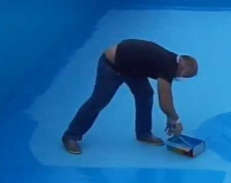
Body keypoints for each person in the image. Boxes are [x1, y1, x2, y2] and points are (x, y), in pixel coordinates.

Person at [62, 39, 199, 155]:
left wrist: (170, 116)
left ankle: (143, 133)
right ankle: (71, 136)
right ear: (182, 66)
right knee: (99, 101)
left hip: (133, 70)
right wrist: (175, 119)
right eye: (183, 76)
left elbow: (166, 97)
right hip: (112, 66)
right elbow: (165, 99)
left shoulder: (171, 62)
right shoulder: (167, 64)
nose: (179, 78)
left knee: (145, 95)